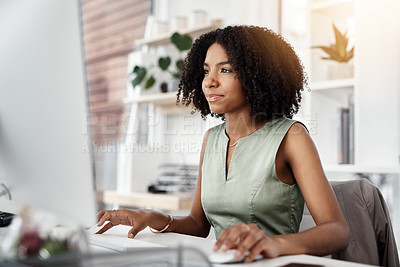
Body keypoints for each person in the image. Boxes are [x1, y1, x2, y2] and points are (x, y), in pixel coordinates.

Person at [96, 25, 349, 263]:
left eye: (225, 70)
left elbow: (336, 230)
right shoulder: (212, 139)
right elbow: (198, 223)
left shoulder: (291, 137)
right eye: (206, 71)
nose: (209, 82)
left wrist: (275, 244)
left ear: (256, 76)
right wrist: (153, 217)